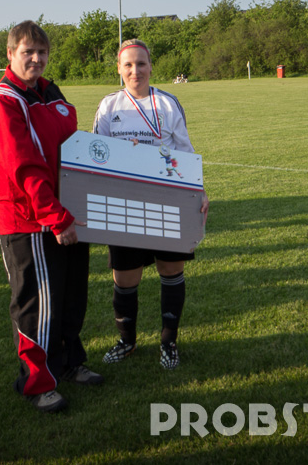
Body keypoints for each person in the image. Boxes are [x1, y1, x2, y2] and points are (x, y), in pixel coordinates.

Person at [0, 21, 100, 414]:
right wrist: (55, 217)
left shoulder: (51, 91)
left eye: (42, 52)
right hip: (30, 220)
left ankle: (69, 363)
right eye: (27, 52)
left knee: (70, 297)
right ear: (10, 54)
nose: (36, 58)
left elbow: (74, 146)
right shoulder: (5, 100)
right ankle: (37, 383)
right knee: (37, 303)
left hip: (67, 211)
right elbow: (24, 168)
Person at [92, 38, 209, 370]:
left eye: (141, 63)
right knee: (125, 277)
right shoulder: (109, 106)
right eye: (128, 65)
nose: (135, 71)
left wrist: (199, 191)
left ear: (151, 67)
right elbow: (95, 155)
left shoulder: (168, 103)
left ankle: (168, 342)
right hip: (123, 203)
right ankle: (126, 341)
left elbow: (185, 152)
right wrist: (121, 154)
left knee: (171, 271)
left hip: (167, 200)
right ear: (119, 68)